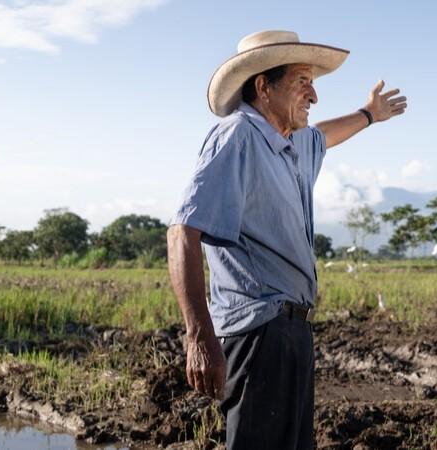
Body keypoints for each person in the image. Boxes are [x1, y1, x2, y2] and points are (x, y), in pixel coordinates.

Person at [167, 30, 407, 449]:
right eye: (302, 81)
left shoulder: (289, 144)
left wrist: (369, 114)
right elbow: (182, 231)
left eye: (313, 83)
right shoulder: (238, 136)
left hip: (293, 332)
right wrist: (198, 336)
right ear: (263, 86)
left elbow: (325, 136)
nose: (314, 95)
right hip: (258, 333)